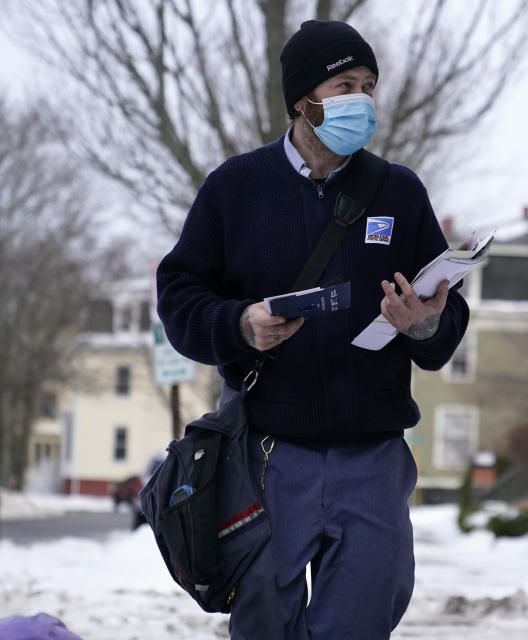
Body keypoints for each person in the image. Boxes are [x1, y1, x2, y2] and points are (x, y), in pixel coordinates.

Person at [156, 20, 469, 639]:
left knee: (361, 620)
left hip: (373, 459)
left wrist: (426, 323)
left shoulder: (399, 193)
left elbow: (447, 321)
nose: (363, 99)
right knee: (263, 622)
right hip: (268, 458)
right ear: (303, 100)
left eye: (369, 85)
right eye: (345, 84)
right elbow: (178, 296)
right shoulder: (234, 189)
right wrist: (238, 323)